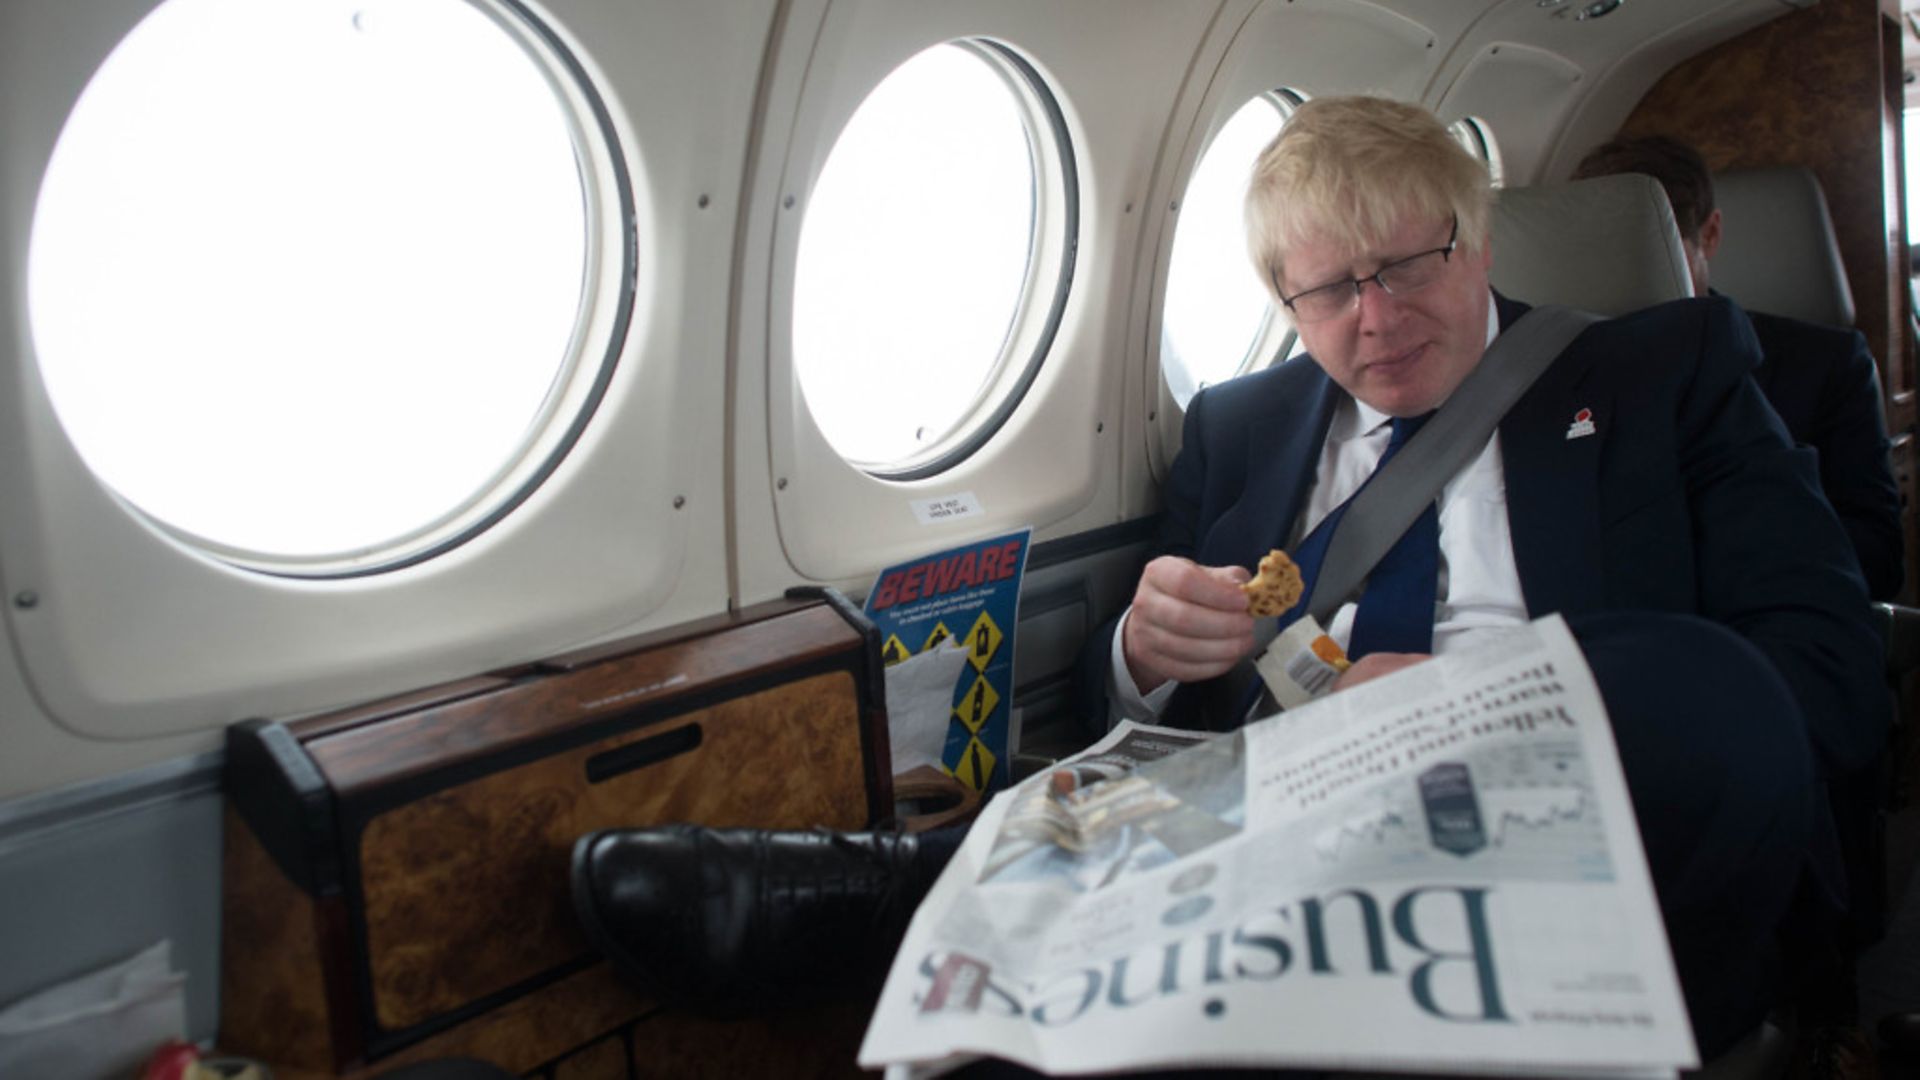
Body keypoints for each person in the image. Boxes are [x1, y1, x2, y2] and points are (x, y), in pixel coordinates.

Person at [571, 97, 1887, 1064]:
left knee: (1710, 691)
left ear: (1475, 242)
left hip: (1583, 850)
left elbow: (1824, 680)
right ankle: (948, 924)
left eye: (1405, 268)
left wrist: (1485, 705)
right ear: (1282, 298)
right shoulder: (1244, 427)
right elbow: (1153, 730)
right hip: (1266, 855)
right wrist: (1144, 651)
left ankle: (895, 897)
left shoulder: (1667, 375)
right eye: (1324, 293)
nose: (1372, 320)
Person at [1570, 134, 1903, 600]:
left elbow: (1879, 558)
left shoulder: (1824, 365)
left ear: (1709, 235)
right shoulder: (1561, 375)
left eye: (1646, 250)